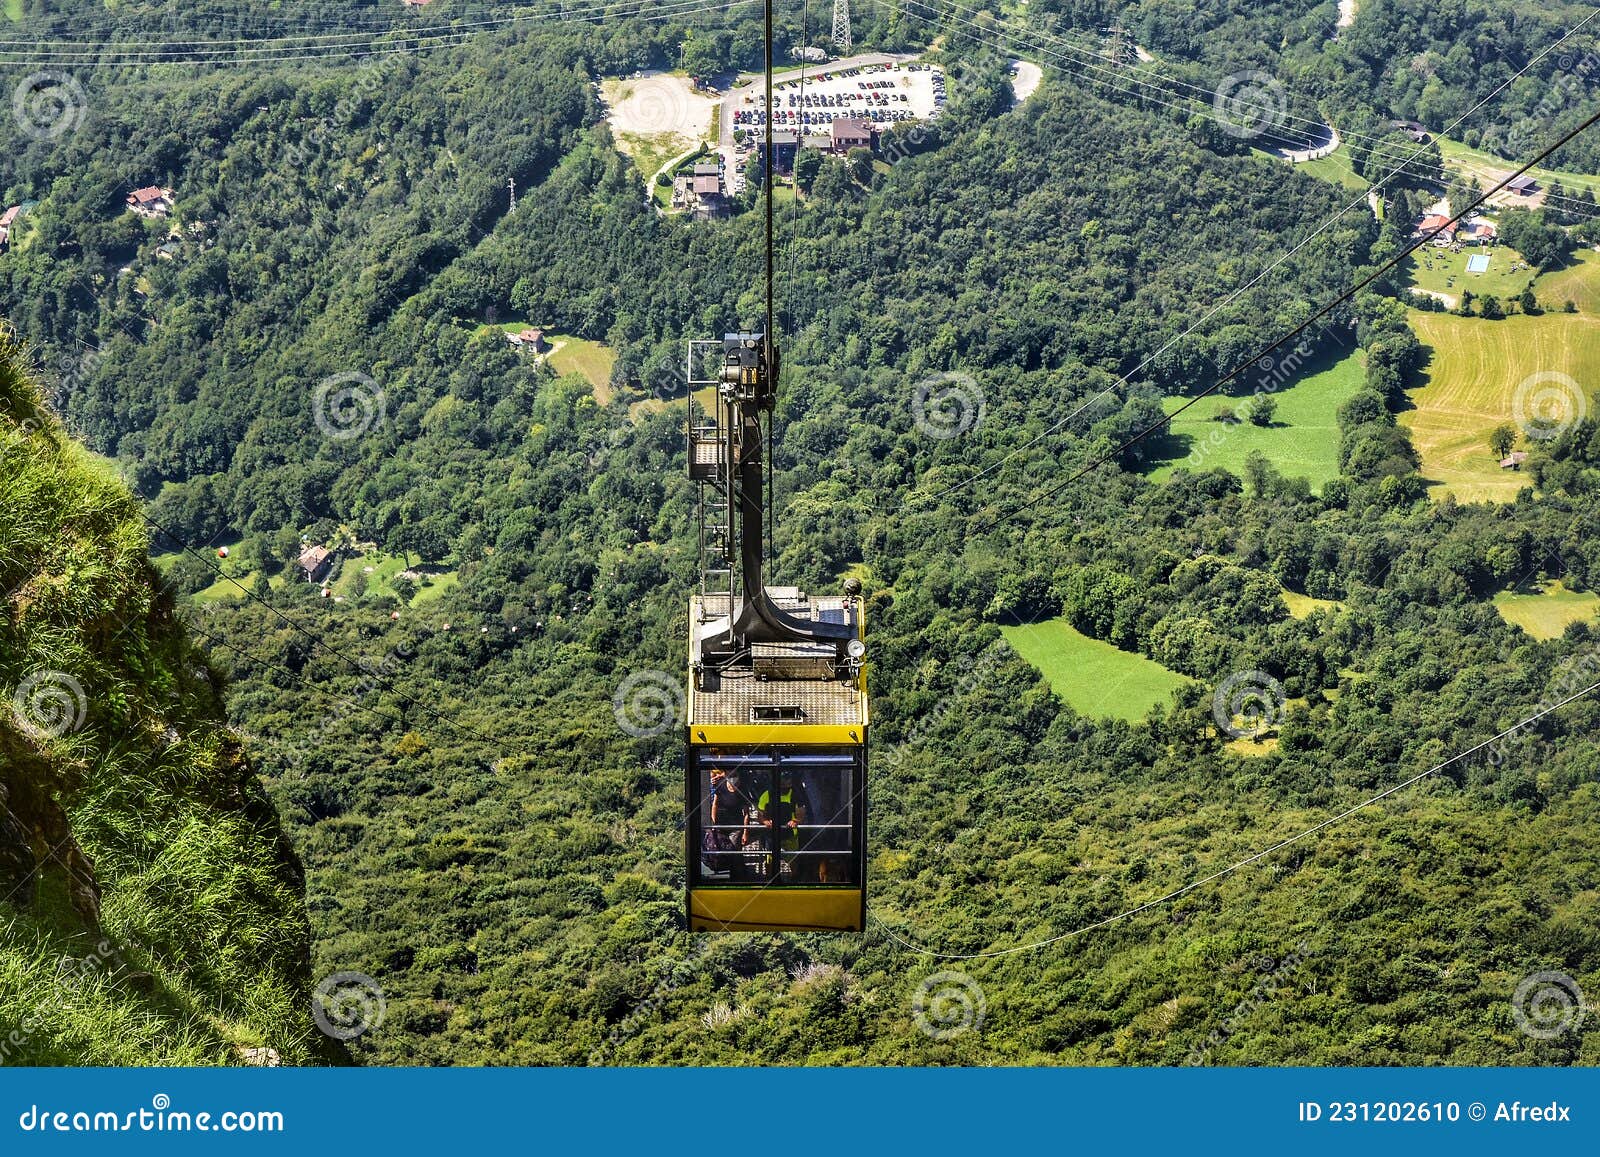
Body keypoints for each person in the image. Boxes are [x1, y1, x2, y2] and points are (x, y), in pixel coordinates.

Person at [755, 782, 806, 879]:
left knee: (793, 861)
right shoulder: (767, 795)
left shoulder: (795, 794)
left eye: (787, 782)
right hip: (772, 835)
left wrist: (795, 820)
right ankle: (771, 880)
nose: (785, 785)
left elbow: (801, 812)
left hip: (790, 835)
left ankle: (794, 880)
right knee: (770, 861)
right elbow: (760, 815)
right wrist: (765, 821)